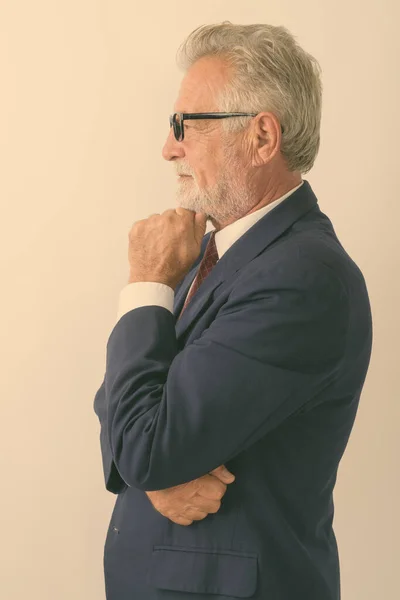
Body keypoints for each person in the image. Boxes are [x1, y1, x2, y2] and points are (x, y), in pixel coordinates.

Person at [93, 21, 372, 600]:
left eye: (185, 125)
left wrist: (146, 284)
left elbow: (147, 438)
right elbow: (121, 406)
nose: (169, 147)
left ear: (262, 137)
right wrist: (152, 476)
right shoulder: (206, 248)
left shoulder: (304, 278)